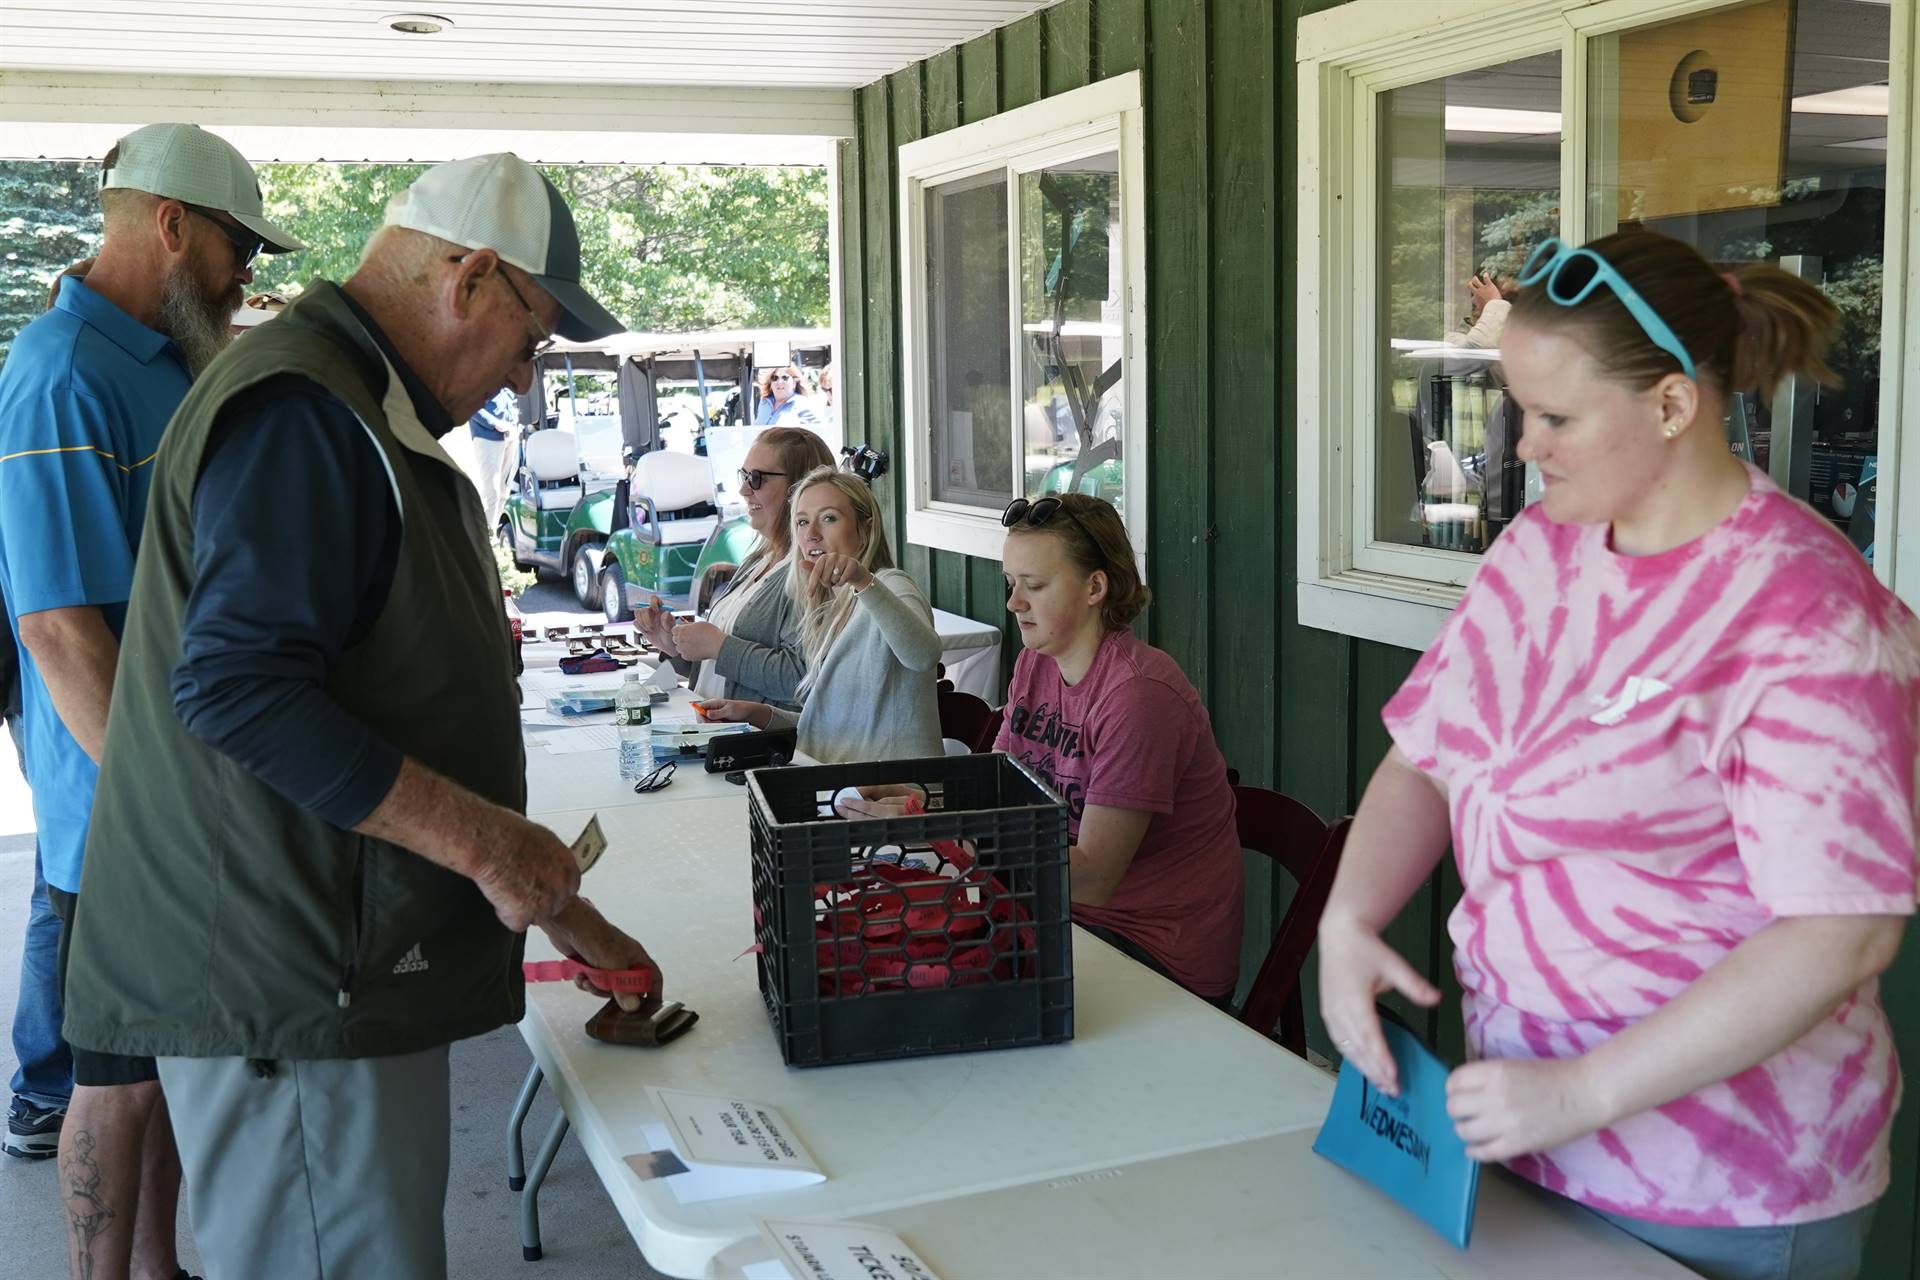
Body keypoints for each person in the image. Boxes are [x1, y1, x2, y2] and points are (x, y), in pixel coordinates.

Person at [58, 152, 661, 1280]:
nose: (527, 378)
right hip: (292, 986)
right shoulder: (308, 409)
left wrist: (550, 897)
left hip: (323, 966)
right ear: (471, 276)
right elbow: (240, 688)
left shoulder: (346, 395)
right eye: (532, 339)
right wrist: (492, 843)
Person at [1317, 230, 1916, 1280]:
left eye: (1554, 417)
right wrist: (1347, 916)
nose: (1522, 445)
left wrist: (1584, 1089)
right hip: (1528, 1125)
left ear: (1673, 405)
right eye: (1517, 412)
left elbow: (1843, 929)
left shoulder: (1802, 613)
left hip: (1722, 1180)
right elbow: (1429, 754)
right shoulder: (1539, 548)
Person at [0, 122, 304, 1279]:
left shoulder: (165, 355)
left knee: (170, 1060)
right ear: (173, 226)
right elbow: (59, 626)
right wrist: (155, 810)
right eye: (237, 247)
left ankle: (161, 1266)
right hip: (122, 813)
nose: (247, 275)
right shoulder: (58, 372)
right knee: (116, 1077)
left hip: (180, 786)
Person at [846, 494, 1245, 1004]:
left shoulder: (1138, 695)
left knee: (935, 1003)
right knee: (886, 964)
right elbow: (995, 792)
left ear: (1095, 586)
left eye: (1034, 586)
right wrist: (916, 800)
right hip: (1049, 911)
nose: (1014, 603)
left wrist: (941, 827)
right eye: (1011, 584)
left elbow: (1095, 878)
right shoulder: (1038, 663)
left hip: (1151, 952)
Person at [4, 257, 96, 1165]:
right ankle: (41, 1089)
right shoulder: (47, 379)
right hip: (44, 682)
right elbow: (48, 620)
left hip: (37, 680)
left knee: (54, 881)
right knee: (59, 883)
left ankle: (44, 1086)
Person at [698, 469, 942, 763]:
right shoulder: (828, 608)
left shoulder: (890, 584)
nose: (812, 533)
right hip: (839, 785)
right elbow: (830, 728)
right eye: (802, 522)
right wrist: (759, 714)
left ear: (865, 529)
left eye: (829, 518)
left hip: (894, 794)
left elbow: (924, 656)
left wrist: (863, 580)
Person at [636, 426, 834, 707]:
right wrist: (674, 645)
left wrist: (719, 646)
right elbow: (724, 670)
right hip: (715, 733)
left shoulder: (808, 572)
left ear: (799, 489)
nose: (743, 490)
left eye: (756, 478)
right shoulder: (757, 561)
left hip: (758, 745)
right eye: (744, 475)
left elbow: (801, 679)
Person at [754, 363, 822, 427]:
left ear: (794, 383)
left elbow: (819, 433)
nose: (779, 382)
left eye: (785, 378)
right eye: (774, 378)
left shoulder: (804, 404)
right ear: (770, 383)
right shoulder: (764, 403)